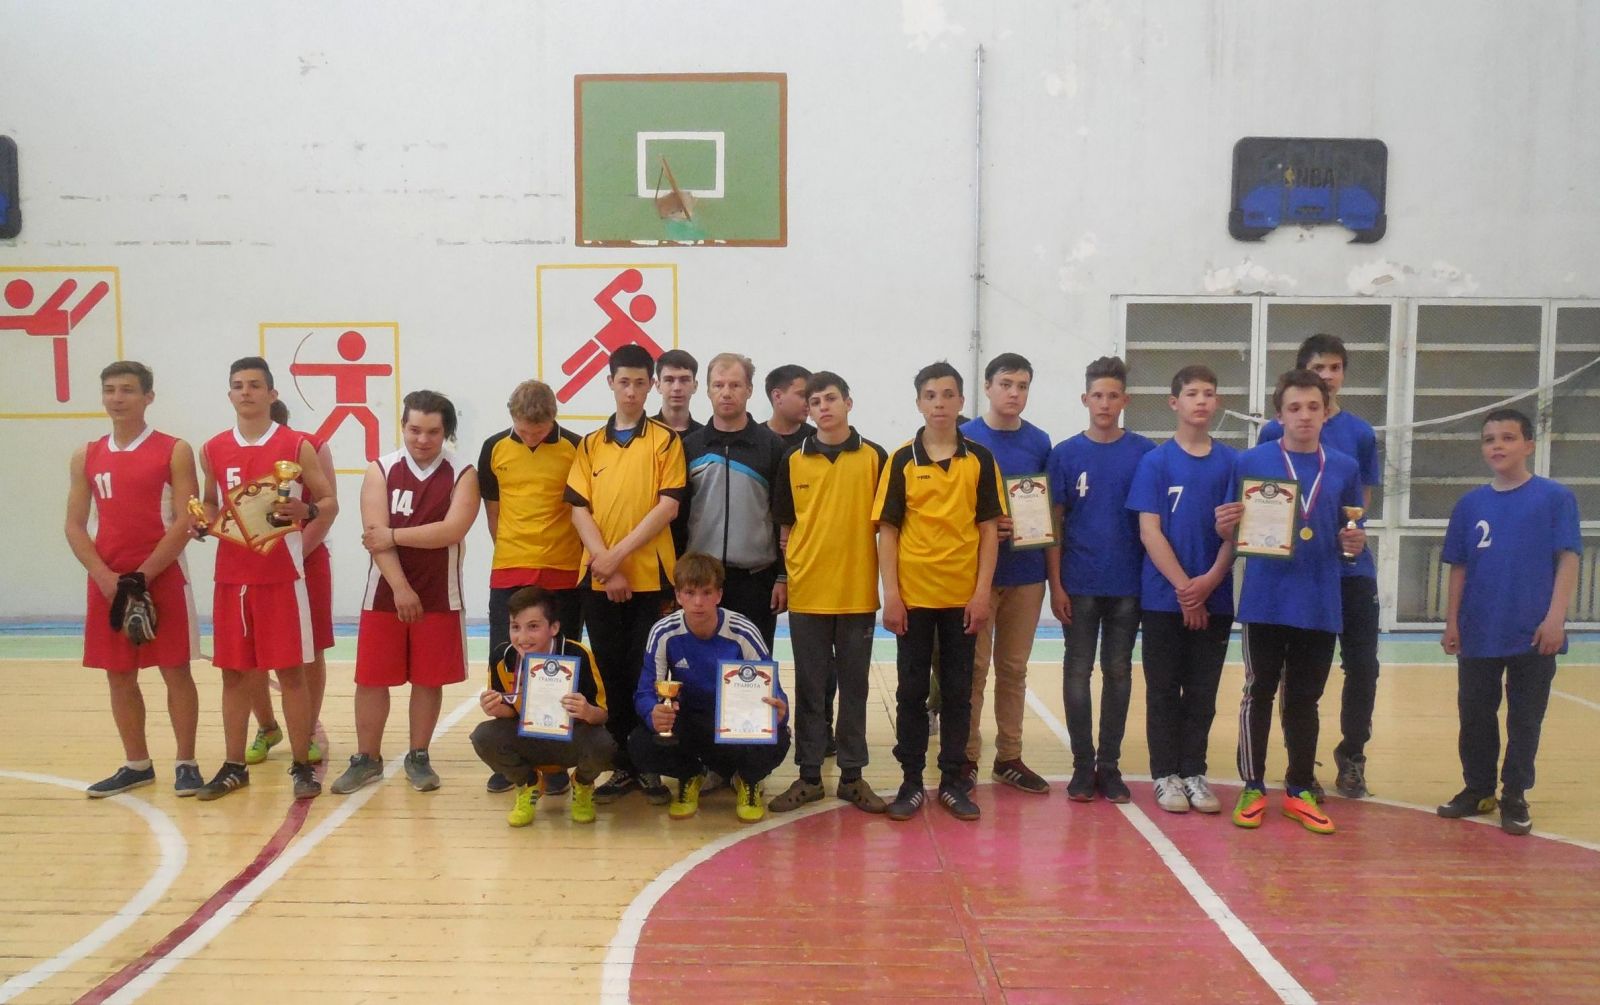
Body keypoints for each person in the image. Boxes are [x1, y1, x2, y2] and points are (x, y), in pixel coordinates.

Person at [1215, 368, 1365, 835]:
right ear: (1279, 415)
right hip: (1266, 598)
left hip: (1319, 598)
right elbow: (1230, 530)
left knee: (1305, 699)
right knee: (1258, 691)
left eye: (1313, 407)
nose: (1304, 416)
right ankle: (1252, 785)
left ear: (1326, 411)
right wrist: (1225, 525)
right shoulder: (1251, 461)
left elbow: (1351, 532)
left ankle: (1300, 788)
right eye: (1294, 408)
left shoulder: (1344, 467)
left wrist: (1354, 542)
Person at [194, 357, 338, 800]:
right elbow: (210, 502)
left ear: (272, 394)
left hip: (281, 578)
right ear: (229, 394)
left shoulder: (296, 445)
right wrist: (202, 521)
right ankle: (233, 765)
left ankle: (302, 766)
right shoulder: (212, 448)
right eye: (238, 385)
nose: (246, 392)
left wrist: (306, 509)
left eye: (255, 385)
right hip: (231, 578)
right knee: (234, 675)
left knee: (292, 673)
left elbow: (329, 501)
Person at [1437, 409, 1580, 837]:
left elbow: (1568, 558)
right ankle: (1478, 789)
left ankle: (1514, 793)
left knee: (1525, 718)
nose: (1497, 445)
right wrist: (1452, 622)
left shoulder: (1554, 498)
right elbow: (1459, 567)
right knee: (1475, 714)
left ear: (1529, 445)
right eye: (1489, 439)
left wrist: (1555, 618)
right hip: (1480, 628)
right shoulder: (1469, 505)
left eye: (1508, 437)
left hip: (1533, 632)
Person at [66, 360, 204, 797]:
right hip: (108, 581)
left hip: (161, 576)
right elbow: (74, 525)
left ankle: (186, 762)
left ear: (148, 397)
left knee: (175, 670)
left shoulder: (174, 450)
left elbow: (186, 520)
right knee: (119, 675)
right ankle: (137, 764)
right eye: (109, 390)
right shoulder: (87, 455)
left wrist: (142, 576)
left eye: (127, 390)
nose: (117, 398)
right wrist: (105, 576)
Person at [332, 391, 479, 794]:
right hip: (385, 593)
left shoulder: (463, 473)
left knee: (428, 680)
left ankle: (418, 756)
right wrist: (400, 587)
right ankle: (367, 758)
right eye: (414, 430)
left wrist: (395, 534)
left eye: (432, 431)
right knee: (371, 678)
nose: (422, 439)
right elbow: (373, 537)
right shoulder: (380, 470)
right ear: (402, 426)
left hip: (439, 592)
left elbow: (451, 530)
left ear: (446, 432)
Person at [874, 361, 1002, 822]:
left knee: (957, 693)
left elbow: (989, 530)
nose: (940, 403)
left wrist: (982, 593)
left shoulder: (980, 459)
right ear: (919, 403)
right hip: (913, 600)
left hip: (962, 600)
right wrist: (892, 594)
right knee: (910, 692)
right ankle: (911, 781)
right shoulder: (901, 460)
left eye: (948, 395)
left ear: (961, 401)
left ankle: (952, 780)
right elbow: (888, 531)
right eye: (931, 395)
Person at [1256, 333, 1382, 799]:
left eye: (1334, 367)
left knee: (1363, 666)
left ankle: (1352, 755)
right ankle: (1300, 765)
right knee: (1295, 678)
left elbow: (1357, 507)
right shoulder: (1272, 436)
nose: (1327, 376)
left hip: (1350, 572)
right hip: (1300, 575)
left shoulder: (1360, 434)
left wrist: (1351, 538)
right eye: (1318, 368)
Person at [566, 343, 686, 804]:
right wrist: (605, 564)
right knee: (610, 672)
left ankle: (647, 763)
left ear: (651, 385)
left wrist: (617, 557)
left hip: (651, 579)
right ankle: (619, 766)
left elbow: (668, 506)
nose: (631, 391)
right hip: (600, 579)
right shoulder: (589, 445)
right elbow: (578, 509)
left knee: (646, 672)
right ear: (610, 383)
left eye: (640, 383)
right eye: (623, 382)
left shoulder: (665, 441)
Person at [768, 371, 888, 814]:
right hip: (808, 593)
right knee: (811, 689)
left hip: (857, 592)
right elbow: (785, 527)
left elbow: (892, 527)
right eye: (815, 401)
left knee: (855, 689)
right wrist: (786, 577)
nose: (823, 407)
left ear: (848, 403)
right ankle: (809, 776)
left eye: (831, 399)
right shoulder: (793, 459)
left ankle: (853, 777)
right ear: (809, 409)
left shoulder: (876, 457)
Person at [1126, 365, 1237, 815]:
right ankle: (1165, 775)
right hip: (1162, 599)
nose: (1201, 401)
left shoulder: (1232, 464)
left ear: (1217, 402)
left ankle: (1194, 771)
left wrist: (1208, 583)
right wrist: (1184, 589)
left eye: (1209, 393)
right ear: (1174, 402)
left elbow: (1236, 534)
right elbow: (1149, 531)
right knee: (1163, 690)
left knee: (1203, 692)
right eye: (1192, 393)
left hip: (1216, 597)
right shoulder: (1155, 462)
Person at [1046, 356, 1155, 803]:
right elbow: (1053, 523)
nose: (1105, 403)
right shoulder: (1065, 454)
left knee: (1118, 672)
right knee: (1077, 670)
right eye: (1097, 395)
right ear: (1085, 399)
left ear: (1125, 400)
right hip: (1079, 584)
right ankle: (1081, 765)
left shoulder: (1145, 453)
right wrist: (1056, 584)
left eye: (1113, 396)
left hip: (1128, 585)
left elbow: (1152, 524)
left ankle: (1109, 766)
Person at [957, 352, 1061, 794]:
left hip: (1026, 572)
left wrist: (1054, 578)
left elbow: (1047, 509)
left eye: (1022, 386)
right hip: (975, 576)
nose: (1014, 393)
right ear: (987, 387)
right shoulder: (965, 437)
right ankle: (965, 758)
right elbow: (949, 506)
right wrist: (983, 525)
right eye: (1005, 384)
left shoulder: (1039, 441)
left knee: (1014, 669)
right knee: (974, 670)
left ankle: (1009, 757)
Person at [477, 379, 584, 795]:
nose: (530, 437)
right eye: (523, 430)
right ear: (512, 418)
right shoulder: (493, 448)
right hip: (510, 570)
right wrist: (512, 552)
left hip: (563, 571)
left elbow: (583, 510)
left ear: (554, 418)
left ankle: (553, 764)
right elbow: (494, 511)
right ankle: (512, 762)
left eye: (538, 431)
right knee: (505, 662)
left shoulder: (575, 447)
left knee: (558, 670)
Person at [627, 553, 791, 822]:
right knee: (640, 744)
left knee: (780, 737)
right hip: (691, 722)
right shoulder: (663, 631)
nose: (698, 602)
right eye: (690, 593)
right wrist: (652, 712)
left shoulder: (743, 631)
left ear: (719, 595)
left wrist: (780, 712)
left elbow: (773, 690)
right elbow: (645, 692)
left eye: (706, 592)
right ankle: (692, 774)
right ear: (678, 596)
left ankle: (747, 779)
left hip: (734, 725)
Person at [471, 586, 615, 826]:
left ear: (554, 628)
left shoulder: (577, 654)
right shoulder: (502, 657)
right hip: (527, 739)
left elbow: (603, 715)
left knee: (603, 744)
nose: (522, 637)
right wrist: (495, 708)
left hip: (570, 739)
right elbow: (508, 711)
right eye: (515, 627)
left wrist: (587, 711)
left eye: (533, 627)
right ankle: (528, 783)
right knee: (483, 736)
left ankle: (582, 783)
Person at [244, 400, 336, 769]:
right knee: (250, 651)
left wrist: (293, 557)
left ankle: (307, 729)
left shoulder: (310, 447)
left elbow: (326, 511)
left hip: (304, 560)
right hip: (251, 562)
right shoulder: (230, 449)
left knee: (310, 649)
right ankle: (266, 727)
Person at [679, 352, 787, 646]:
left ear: (749, 390)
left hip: (756, 581)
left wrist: (783, 576)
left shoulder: (772, 446)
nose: (726, 392)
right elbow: (679, 517)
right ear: (707, 390)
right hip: (700, 580)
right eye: (719, 385)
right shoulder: (690, 447)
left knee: (751, 667)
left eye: (735, 385)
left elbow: (784, 518)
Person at [764, 363, 815, 448]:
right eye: (802, 395)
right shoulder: (753, 439)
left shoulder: (816, 440)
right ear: (777, 396)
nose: (809, 403)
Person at [654, 348, 703, 436]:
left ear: (695, 386)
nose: (677, 388)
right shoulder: (642, 433)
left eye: (684, 380)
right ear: (658, 386)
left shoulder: (705, 438)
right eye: (669, 380)